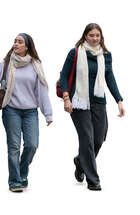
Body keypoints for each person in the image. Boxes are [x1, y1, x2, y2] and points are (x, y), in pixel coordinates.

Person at [0, 33, 53, 192]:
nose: (16, 44)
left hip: (30, 112)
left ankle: (22, 172)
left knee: (32, 145)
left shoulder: (35, 65)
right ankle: (14, 181)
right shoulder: (7, 62)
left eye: (19, 42)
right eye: (14, 41)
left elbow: (41, 91)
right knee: (13, 147)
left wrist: (48, 113)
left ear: (27, 46)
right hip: (11, 110)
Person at [60, 23, 125, 191]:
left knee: (99, 138)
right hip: (78, 101)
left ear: (101, 37)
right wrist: (66, 98)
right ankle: (93, 179)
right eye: (91, 35)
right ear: (85, 36)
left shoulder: (105, 55)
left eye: (98, 35)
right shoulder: (75, 52)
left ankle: (80, 162)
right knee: (87, 139)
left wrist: (119, 100)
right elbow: (64, 75)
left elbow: (109, 77)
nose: (95, 38)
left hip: (98, 101)